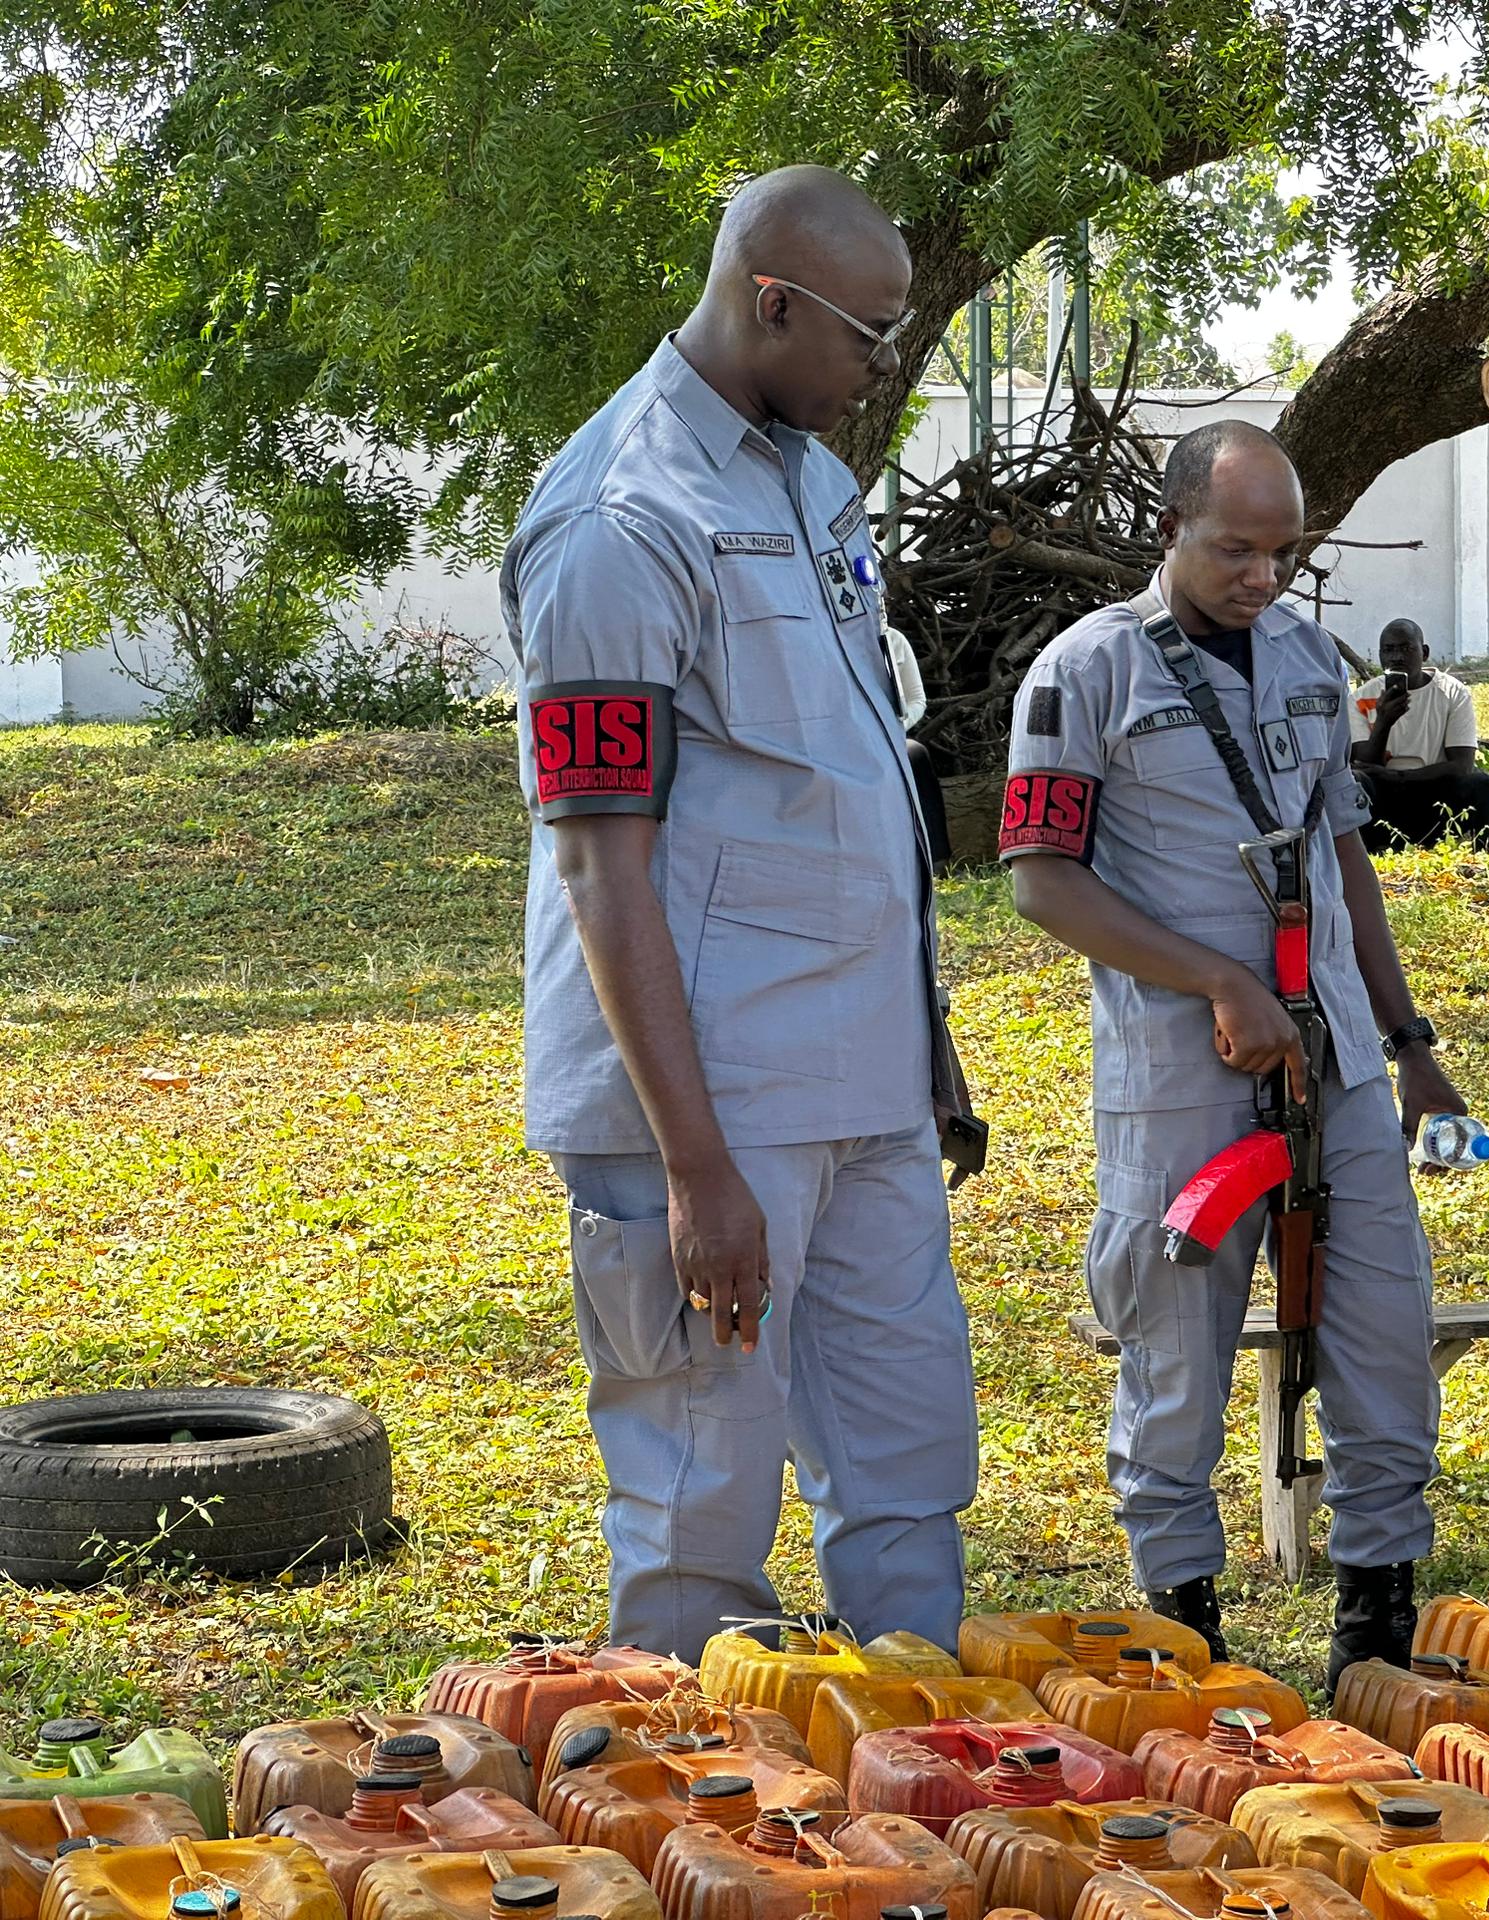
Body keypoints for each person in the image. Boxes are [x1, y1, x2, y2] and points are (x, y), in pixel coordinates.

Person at [503, 165, 980, 1664]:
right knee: (703, 1507)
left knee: (908, 1471)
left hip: (863, 1086)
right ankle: (691, 1849)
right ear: (769, 300)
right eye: (870, 332)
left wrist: (928, 1046)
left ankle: (914, 1794)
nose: (883, 365)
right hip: (707, 1116)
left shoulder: (806, 479)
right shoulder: (618, 518)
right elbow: (601, 864)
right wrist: (698, 1170)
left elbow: (843, 791)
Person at [1001, 417, 1465, 1688]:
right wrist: (1211, 977)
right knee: (1175, 1351)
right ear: (1169, 529)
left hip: (1339, 1069)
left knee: (1382, 1331)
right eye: (1234, 549)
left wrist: (1407, 1038)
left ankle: (1375, 1631)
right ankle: (1185, 1639)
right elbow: (1041, 882)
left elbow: (1343, 862)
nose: (1262, 575)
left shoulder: (1313, 662)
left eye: (1282, 550)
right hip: (1182, 1081)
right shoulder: (1083, 672)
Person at [1349, 620, 1489, 850]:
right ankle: (1365, 854)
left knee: (1482, 784)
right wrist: (1383, 721)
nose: (1396, 657)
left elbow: (1462, 765)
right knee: (1357, 784)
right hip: (1384, 795)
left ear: (1424, 653)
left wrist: (1398, 776)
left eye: (1406, 648)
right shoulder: (1361, 698)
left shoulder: (1452, 692)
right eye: (1389, 650)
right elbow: (1364, 765)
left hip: (1435, 790)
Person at [885, 622, 954, 868]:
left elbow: (917, 699)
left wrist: (894, 727)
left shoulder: (894, 639)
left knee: (916, 754)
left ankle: (938, 859)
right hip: (842, 740)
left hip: (889, 736)